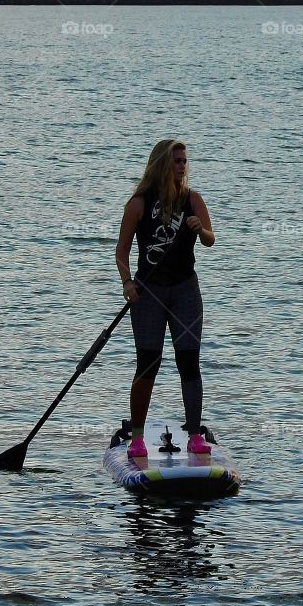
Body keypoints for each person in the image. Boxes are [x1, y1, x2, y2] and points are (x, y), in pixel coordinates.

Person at [115, 139, 216, 460]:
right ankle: (138, 438)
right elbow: (121, 252)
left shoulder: (193, 200)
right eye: (176, 161)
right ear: (161, 164)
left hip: (185, 290)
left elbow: (211, 240)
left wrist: (201, 230)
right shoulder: (139, 203)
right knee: (148, 363)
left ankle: (195, 436)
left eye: (184, 161)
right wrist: (127, 283)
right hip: (149, 294)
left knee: (189, 361)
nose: (182, 166)